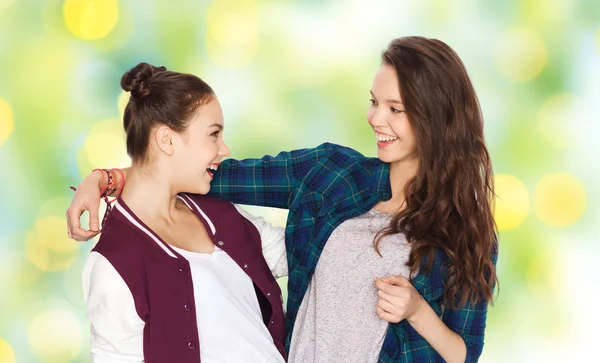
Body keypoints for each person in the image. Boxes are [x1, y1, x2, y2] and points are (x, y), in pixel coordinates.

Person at [68, 36, 498, 363]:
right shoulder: (331, 174)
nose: (374, 118)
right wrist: (106, 178)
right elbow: (204, 173)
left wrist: (418, 310)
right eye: (373, 103)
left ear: (435, 116)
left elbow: (465, 351)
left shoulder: (466, 231)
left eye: (394, 109)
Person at [80, 62, 288, 363]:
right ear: (167, 140)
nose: (224, 149)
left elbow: (298, 252)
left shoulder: (219, 212)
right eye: (213, 134)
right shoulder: (115, 260)